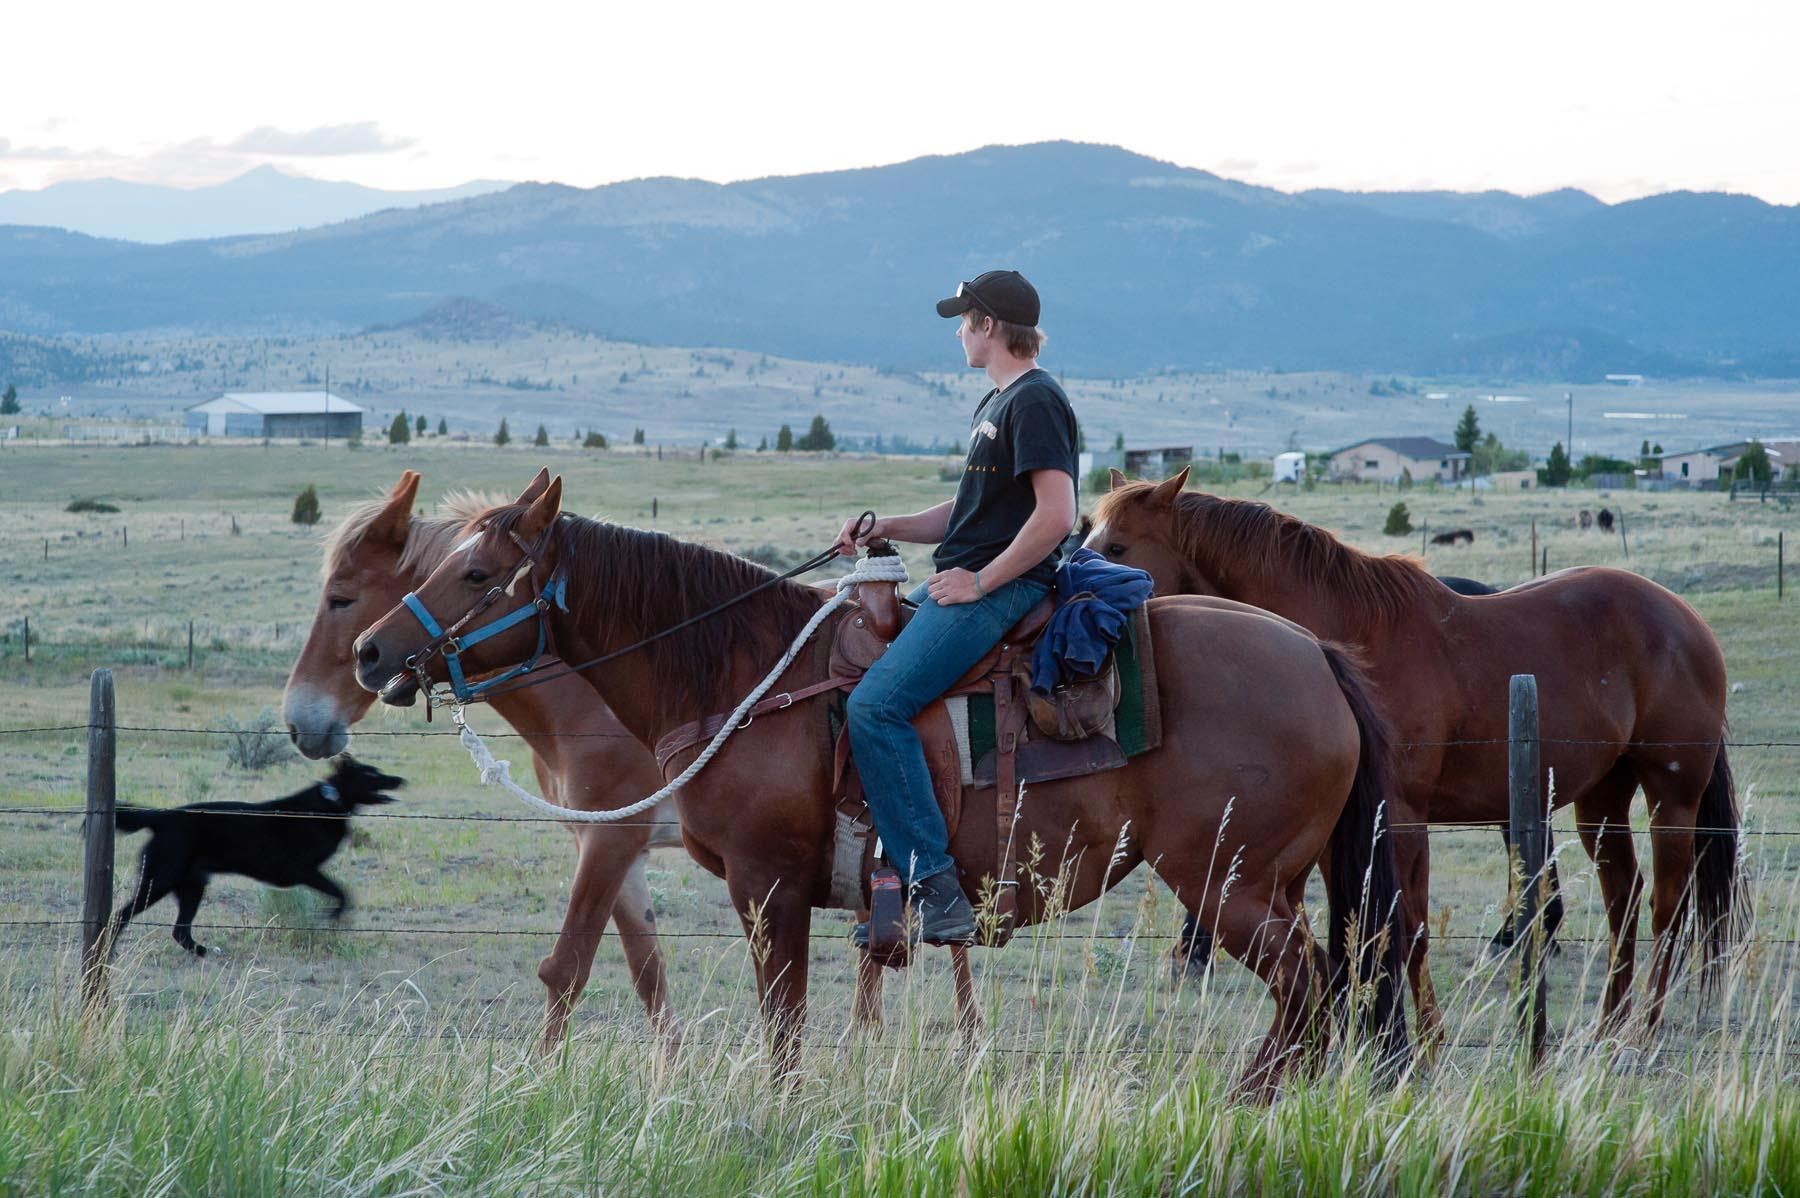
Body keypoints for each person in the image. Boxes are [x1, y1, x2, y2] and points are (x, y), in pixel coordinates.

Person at [834, 270, 1079, 944]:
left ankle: (934, 885)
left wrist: (982, 581)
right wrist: (885, 527)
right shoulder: (996, 404)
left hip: (1004, 590)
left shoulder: (1034, 402)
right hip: (971, 580)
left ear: (990, 327)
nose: (958, 333)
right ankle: (876, 865)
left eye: (964, 320)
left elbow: (1057, 515)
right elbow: (967, 513)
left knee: (874, 705)